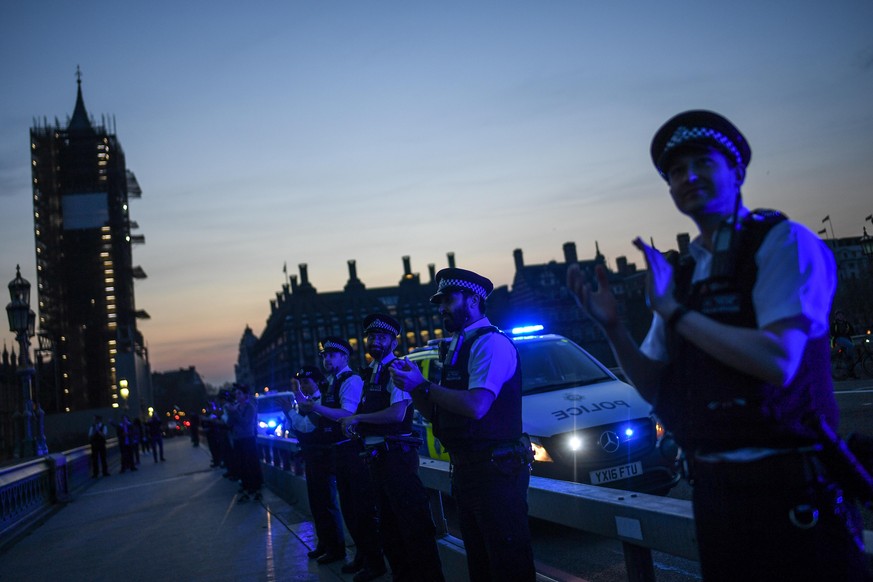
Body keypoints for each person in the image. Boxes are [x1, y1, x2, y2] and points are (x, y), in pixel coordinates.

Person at [566, 110, 867, 581]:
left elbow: (779, 359)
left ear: (738, 172)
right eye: (675, 171)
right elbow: (652, 385)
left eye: (703, 163)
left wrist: (675, 313)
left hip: (790, 496)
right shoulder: (683, 276)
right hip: (715, 498)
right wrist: (612, 328)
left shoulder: (783, 243)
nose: (688, 177)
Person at [391, 269, 536, 582]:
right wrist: (413, 386)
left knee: (507, 565)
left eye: (449, 299)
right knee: (482, 567)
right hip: (469, 474)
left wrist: (424, 385)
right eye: (439, 301)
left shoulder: (490, 344)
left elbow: (476, 405)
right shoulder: (458, 347)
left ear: (474, 299)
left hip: (496, 474)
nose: (442, 307)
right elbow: (438, 414)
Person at [341, 314, 443, 582]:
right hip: (377, 460)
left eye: (382, 337)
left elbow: (397, 414)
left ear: (393, 340)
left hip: (396, 457)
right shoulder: (372, 371)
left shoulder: (398, 369)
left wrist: (359, 418)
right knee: (389, 528)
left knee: (413, 526)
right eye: (372, 337)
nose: (375, 341)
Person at [288, 337, 384, 576]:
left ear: (344, 357)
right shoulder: (333, 382)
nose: (326, 359)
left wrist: (314, 407)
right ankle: (363, 556)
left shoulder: (350, 380)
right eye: (323, 355)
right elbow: (319, 421)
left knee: (362, 510)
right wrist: (304, 407)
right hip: (338, 452)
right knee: (350, 510)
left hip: (352, 451)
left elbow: (346, 413)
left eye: (331, 355)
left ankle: (374, 561)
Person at [279, 366, 346, 565]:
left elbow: (307, 426)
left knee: (326, 503)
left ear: (317, 382)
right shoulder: (307, 402)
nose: (303, 386)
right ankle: (324, 543)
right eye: (300, 383)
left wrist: (289, 411)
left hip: (324, 457)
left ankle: (335, 548)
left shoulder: (321, 400)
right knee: (316, 503)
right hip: (312, 456)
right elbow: (298, 429)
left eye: (306, 382)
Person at [225, 383, 263, 502]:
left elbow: (246, 422)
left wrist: (234, 412)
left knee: (251, 464)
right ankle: (246, 488)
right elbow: (229, 424)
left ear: (245, 395)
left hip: (248, 438)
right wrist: (231, 412)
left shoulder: (250, 407)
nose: (236, 396)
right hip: (238, 439)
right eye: (235, 394)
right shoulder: (236, 407)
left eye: (239, 393)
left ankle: (256, 489)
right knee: (242, 465)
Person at [833, 310, 858, 378]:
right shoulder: (834, 324)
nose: (840, 316)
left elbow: (852, 331)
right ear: (836, 317)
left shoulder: (846, 323)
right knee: (851, 346)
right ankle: (849, 357)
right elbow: (832, 333)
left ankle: (851, 373)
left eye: (841, 315)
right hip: (839, 339)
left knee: (853, 352)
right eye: (838, 315)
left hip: (847, 338)